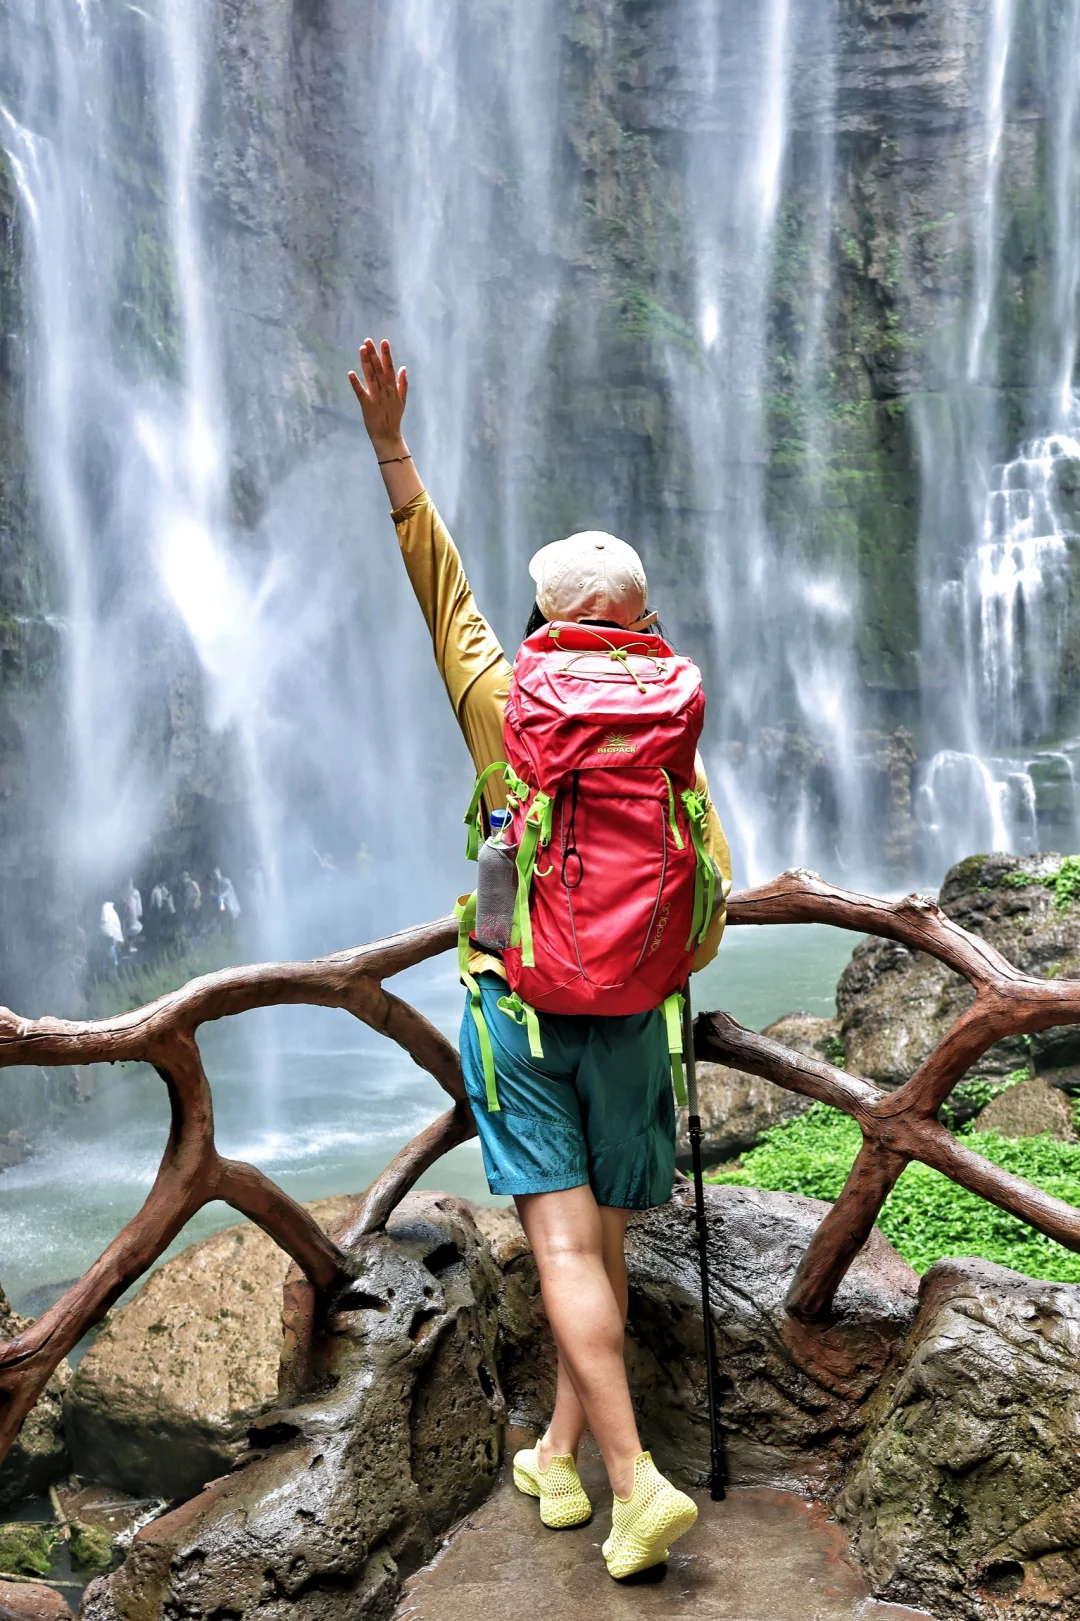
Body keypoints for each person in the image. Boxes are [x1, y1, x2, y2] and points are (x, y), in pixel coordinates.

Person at [350, 338, 733, 1579]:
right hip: (631, 1020)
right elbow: (710, 887)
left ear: (549, 620)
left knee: (562, 1251)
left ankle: (633, 1480)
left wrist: (394, 450)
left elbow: (443, 591)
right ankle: (559, 1458)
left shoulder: (504, 700)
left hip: (520, 1012)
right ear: (642, 621)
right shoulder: (670, 719)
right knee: (602, 1248)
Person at [99, 901, 123, 970]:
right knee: (110, 948)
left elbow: (104, 919)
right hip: (113, 932)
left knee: (108, 948)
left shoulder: (105, 907)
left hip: (107, 931)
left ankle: (111, 964)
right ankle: (113, 963)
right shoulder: (112, 910)